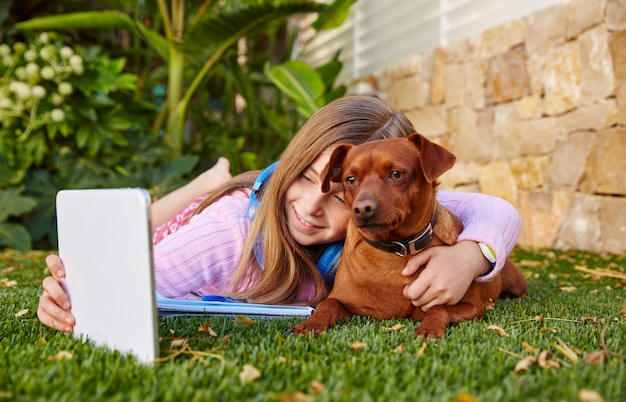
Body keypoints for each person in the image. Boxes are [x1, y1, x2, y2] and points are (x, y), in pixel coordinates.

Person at [37, 95, 521, 333]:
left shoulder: (381, 208)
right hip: (217, 224)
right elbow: (117, 289)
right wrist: (67, 294)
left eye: (337, 197)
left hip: (265, 200)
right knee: (147, 227)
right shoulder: (222, 239)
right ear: (292, 164)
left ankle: (225, 180)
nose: (314, 206)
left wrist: (472, 255)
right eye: (309, 178)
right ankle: (207, 183)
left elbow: (493, 210)